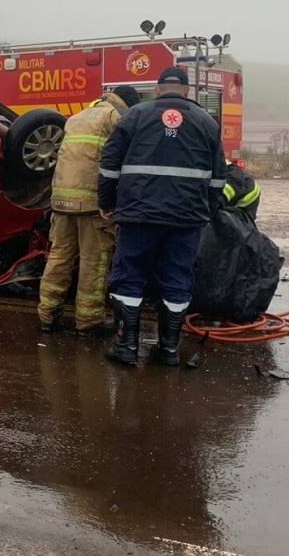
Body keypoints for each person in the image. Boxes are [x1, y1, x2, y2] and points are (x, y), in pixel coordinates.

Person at [98, 67, 225, 366]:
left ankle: (126, 347)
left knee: (130, 275)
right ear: (187, 91)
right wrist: (207, 210)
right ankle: (169, 350)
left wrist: (107, 202)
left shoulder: (136, 116)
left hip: (138, 214)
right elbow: (219, 177)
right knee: (177, 279)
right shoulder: (207, 122)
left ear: (157, 90)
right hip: (186, 219)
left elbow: (109, 165)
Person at [37, 86, 141, 335]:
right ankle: (88, 321)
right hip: (92, 205)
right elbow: (121, 160)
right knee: (94, 261)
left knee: (59, 257)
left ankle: (47, 315)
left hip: (61, 202)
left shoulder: (76, 117)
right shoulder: (115, 118)